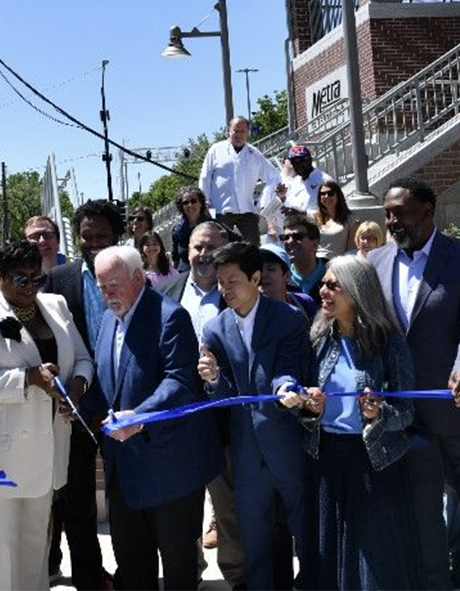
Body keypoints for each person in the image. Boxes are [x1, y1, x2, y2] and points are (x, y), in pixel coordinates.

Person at [370, 177, 460, 589]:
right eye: (387, 213)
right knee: (423, 515)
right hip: (405, 417)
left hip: (458, 411)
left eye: (401, 212)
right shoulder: (375, 263)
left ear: (428, 211)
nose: (392, 221)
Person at [0, 240, 95, 590]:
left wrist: (76, 388)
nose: (31, 288)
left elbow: (83, 359)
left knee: (35, 550)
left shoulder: (56, 305)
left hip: (45, 455)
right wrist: (28, 378)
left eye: (37, 279)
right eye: (21, 279)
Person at [90, 246, 223, 591]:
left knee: (179, 568)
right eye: (102, 287)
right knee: (133, 566)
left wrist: (140, 416)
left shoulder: (170, 316)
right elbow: (110, 383)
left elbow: (180, 382)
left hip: (169, 468)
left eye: (114, 285)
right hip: (123, 469)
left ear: (138, 278)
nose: (107, 294)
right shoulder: (107, 320)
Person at [296, 256, 422, 589]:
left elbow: (407, 410)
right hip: (326, 459)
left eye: (333, 285)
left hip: (374, 462)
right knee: (330, 550)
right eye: (323, 283)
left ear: (356, 290)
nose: (323, 290)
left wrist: (379, 414)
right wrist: (311, 407)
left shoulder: (389, 344)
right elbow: (304, 411)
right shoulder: (317, 340)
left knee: (374, 559)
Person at [197, 242, 309, 590]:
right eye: (219, 282)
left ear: (256, 278)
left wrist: (285, 388)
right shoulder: (215, 329)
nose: (224, 289)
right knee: (255, 542)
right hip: (246, 455)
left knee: (306, 534)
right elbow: (226, 396)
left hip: (287, 446)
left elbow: (289, 369)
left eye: (232, 281)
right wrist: (213, 378)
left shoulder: (288, 319)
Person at [154, 220, 241, 583]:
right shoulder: (165, 290)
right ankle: (188, 574)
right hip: (178, 417)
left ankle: (238, 575)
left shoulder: (237, 291)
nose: (203, 255)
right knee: (180, 506)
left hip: (225, 415)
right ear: (185, 250)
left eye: (211, 247)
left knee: (229, 506)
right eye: (197, 247)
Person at [43, 199, 122, 591]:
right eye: (86, 237)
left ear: (117, 236)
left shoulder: (130, 273)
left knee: (124, 499)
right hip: (75, 405)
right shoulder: (59, 279)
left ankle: (131, 570)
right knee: (77, 502)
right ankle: (90, 577)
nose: (93, 243)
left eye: (102, 236)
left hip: (123, 405)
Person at [198, 117, 284, 243]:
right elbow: (205, 177)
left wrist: (264, 201)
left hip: (247, 210)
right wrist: (204, 202)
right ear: (229, 131)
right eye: (235, 130)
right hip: (221, 210)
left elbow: (274, 176)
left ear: (248, 133)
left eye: (242, 131)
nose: (238, 135)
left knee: (253, 247)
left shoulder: (254, 154)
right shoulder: (215, 150)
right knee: (221, 248)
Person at [258, 243, 318, 319]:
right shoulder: (247, 310)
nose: (263, 275)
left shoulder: (304, 302)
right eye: (258, 269)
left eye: (270, 269)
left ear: (287, 276)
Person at [282, 215, 328, 306]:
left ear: (315, 245)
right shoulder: (280, 278)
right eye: (286, 237)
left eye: (297, 236)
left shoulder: (332, 275)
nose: (289, 241)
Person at [171, 187, 212, 273]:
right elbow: (175, 255)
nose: (190, 205)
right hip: (186, 269)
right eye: (185, 203)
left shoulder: (212, 225)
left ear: (200, 203)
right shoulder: (177, 229)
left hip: (209, 266)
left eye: (193, 201)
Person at [313, 179, 354, 258]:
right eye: (323, 194)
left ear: (338, 196)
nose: (326, 196)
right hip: (317, 263)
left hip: (337, 265)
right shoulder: (315, 217)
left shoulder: (350, 219)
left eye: (330, 193)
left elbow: (351, 250)